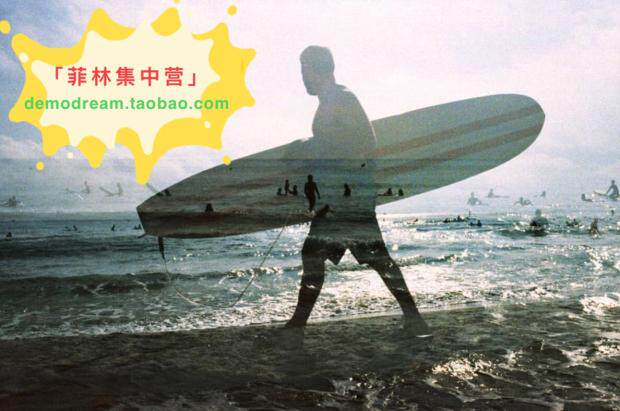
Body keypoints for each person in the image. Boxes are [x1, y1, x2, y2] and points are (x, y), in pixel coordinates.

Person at [288, 46, 428, 334]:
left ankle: (298, 325)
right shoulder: (331, 101)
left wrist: (313, 148)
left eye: (305, 70)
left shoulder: (342, 98)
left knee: (324, 255)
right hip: (343, 196)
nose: (302, 77)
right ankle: (414, 317)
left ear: (321, 70)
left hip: (348, 197)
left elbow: (365, 144)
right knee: (368, 258)